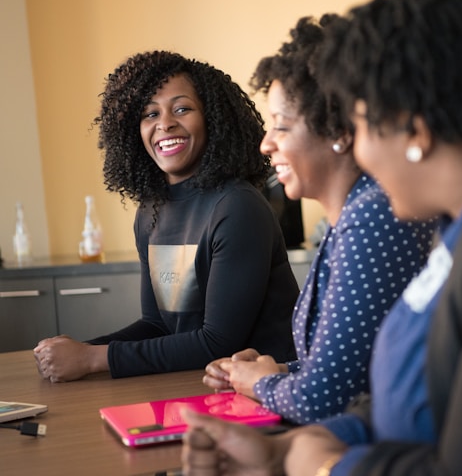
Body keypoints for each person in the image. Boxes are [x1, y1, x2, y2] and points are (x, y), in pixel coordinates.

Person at [179, 0, 462, 476]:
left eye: (358, 127)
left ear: (414, 130)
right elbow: (425, 386)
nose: (358, 153)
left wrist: (327, 467)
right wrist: (301, 445)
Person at [202, 14, 435, 424]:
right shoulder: (353, 214)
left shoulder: (372, 218)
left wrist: (260, 384)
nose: (265, 143)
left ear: (339, 131)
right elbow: (352, 372)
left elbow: (323, 400)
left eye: (281, 127)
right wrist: (271, 373)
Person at [33, 51, 300, 382]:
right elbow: (157, 325)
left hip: (265, 393)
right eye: (149, 114)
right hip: (191, 382)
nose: (165, 123)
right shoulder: (150, 211)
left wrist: (92, 358)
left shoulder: (237, 207)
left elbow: (217, 341)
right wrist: (79, 351)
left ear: (213, 119)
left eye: (182, 109)